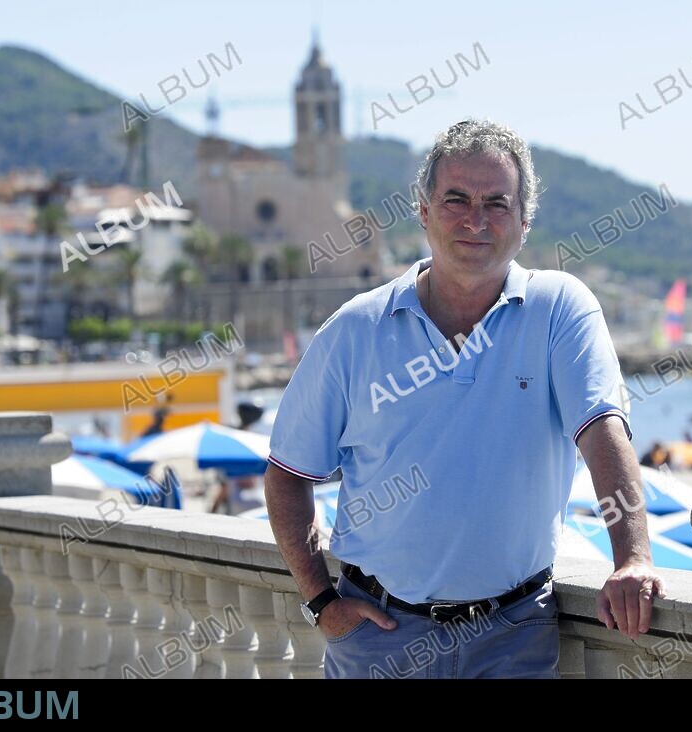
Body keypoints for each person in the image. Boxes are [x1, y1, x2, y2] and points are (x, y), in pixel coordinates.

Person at [265, 119, 665, 679]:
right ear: (423, 210)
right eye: (456, 199)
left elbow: (602, 430)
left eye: (497, 203)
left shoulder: (560, 308)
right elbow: (287, 471)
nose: (476, 220)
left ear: (525, 222)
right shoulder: (355, 329)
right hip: (377, 639)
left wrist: (633, 558)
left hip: (513, 637)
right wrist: (321, 602)